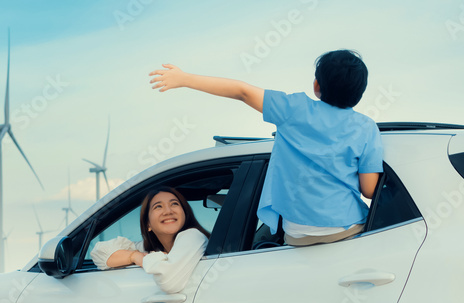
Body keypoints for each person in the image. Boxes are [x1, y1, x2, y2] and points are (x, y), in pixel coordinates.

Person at [149, 50, 383, 246]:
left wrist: (184, 79)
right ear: (359, 93)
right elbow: (370, 190)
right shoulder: (366, 128)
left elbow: (242, 92)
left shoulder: (294, 109)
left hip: (299, 234)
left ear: (316, 85)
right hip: (346, 229)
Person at [90, 187, 210, 293]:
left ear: (185, 214)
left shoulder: (193, 236)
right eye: (158, 206)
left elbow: (168, 282)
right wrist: (136, 257)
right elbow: (99, 252)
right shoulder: (150, 249)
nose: (168, 211)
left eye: (174, 204)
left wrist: (147, 259)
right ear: (148, 224)